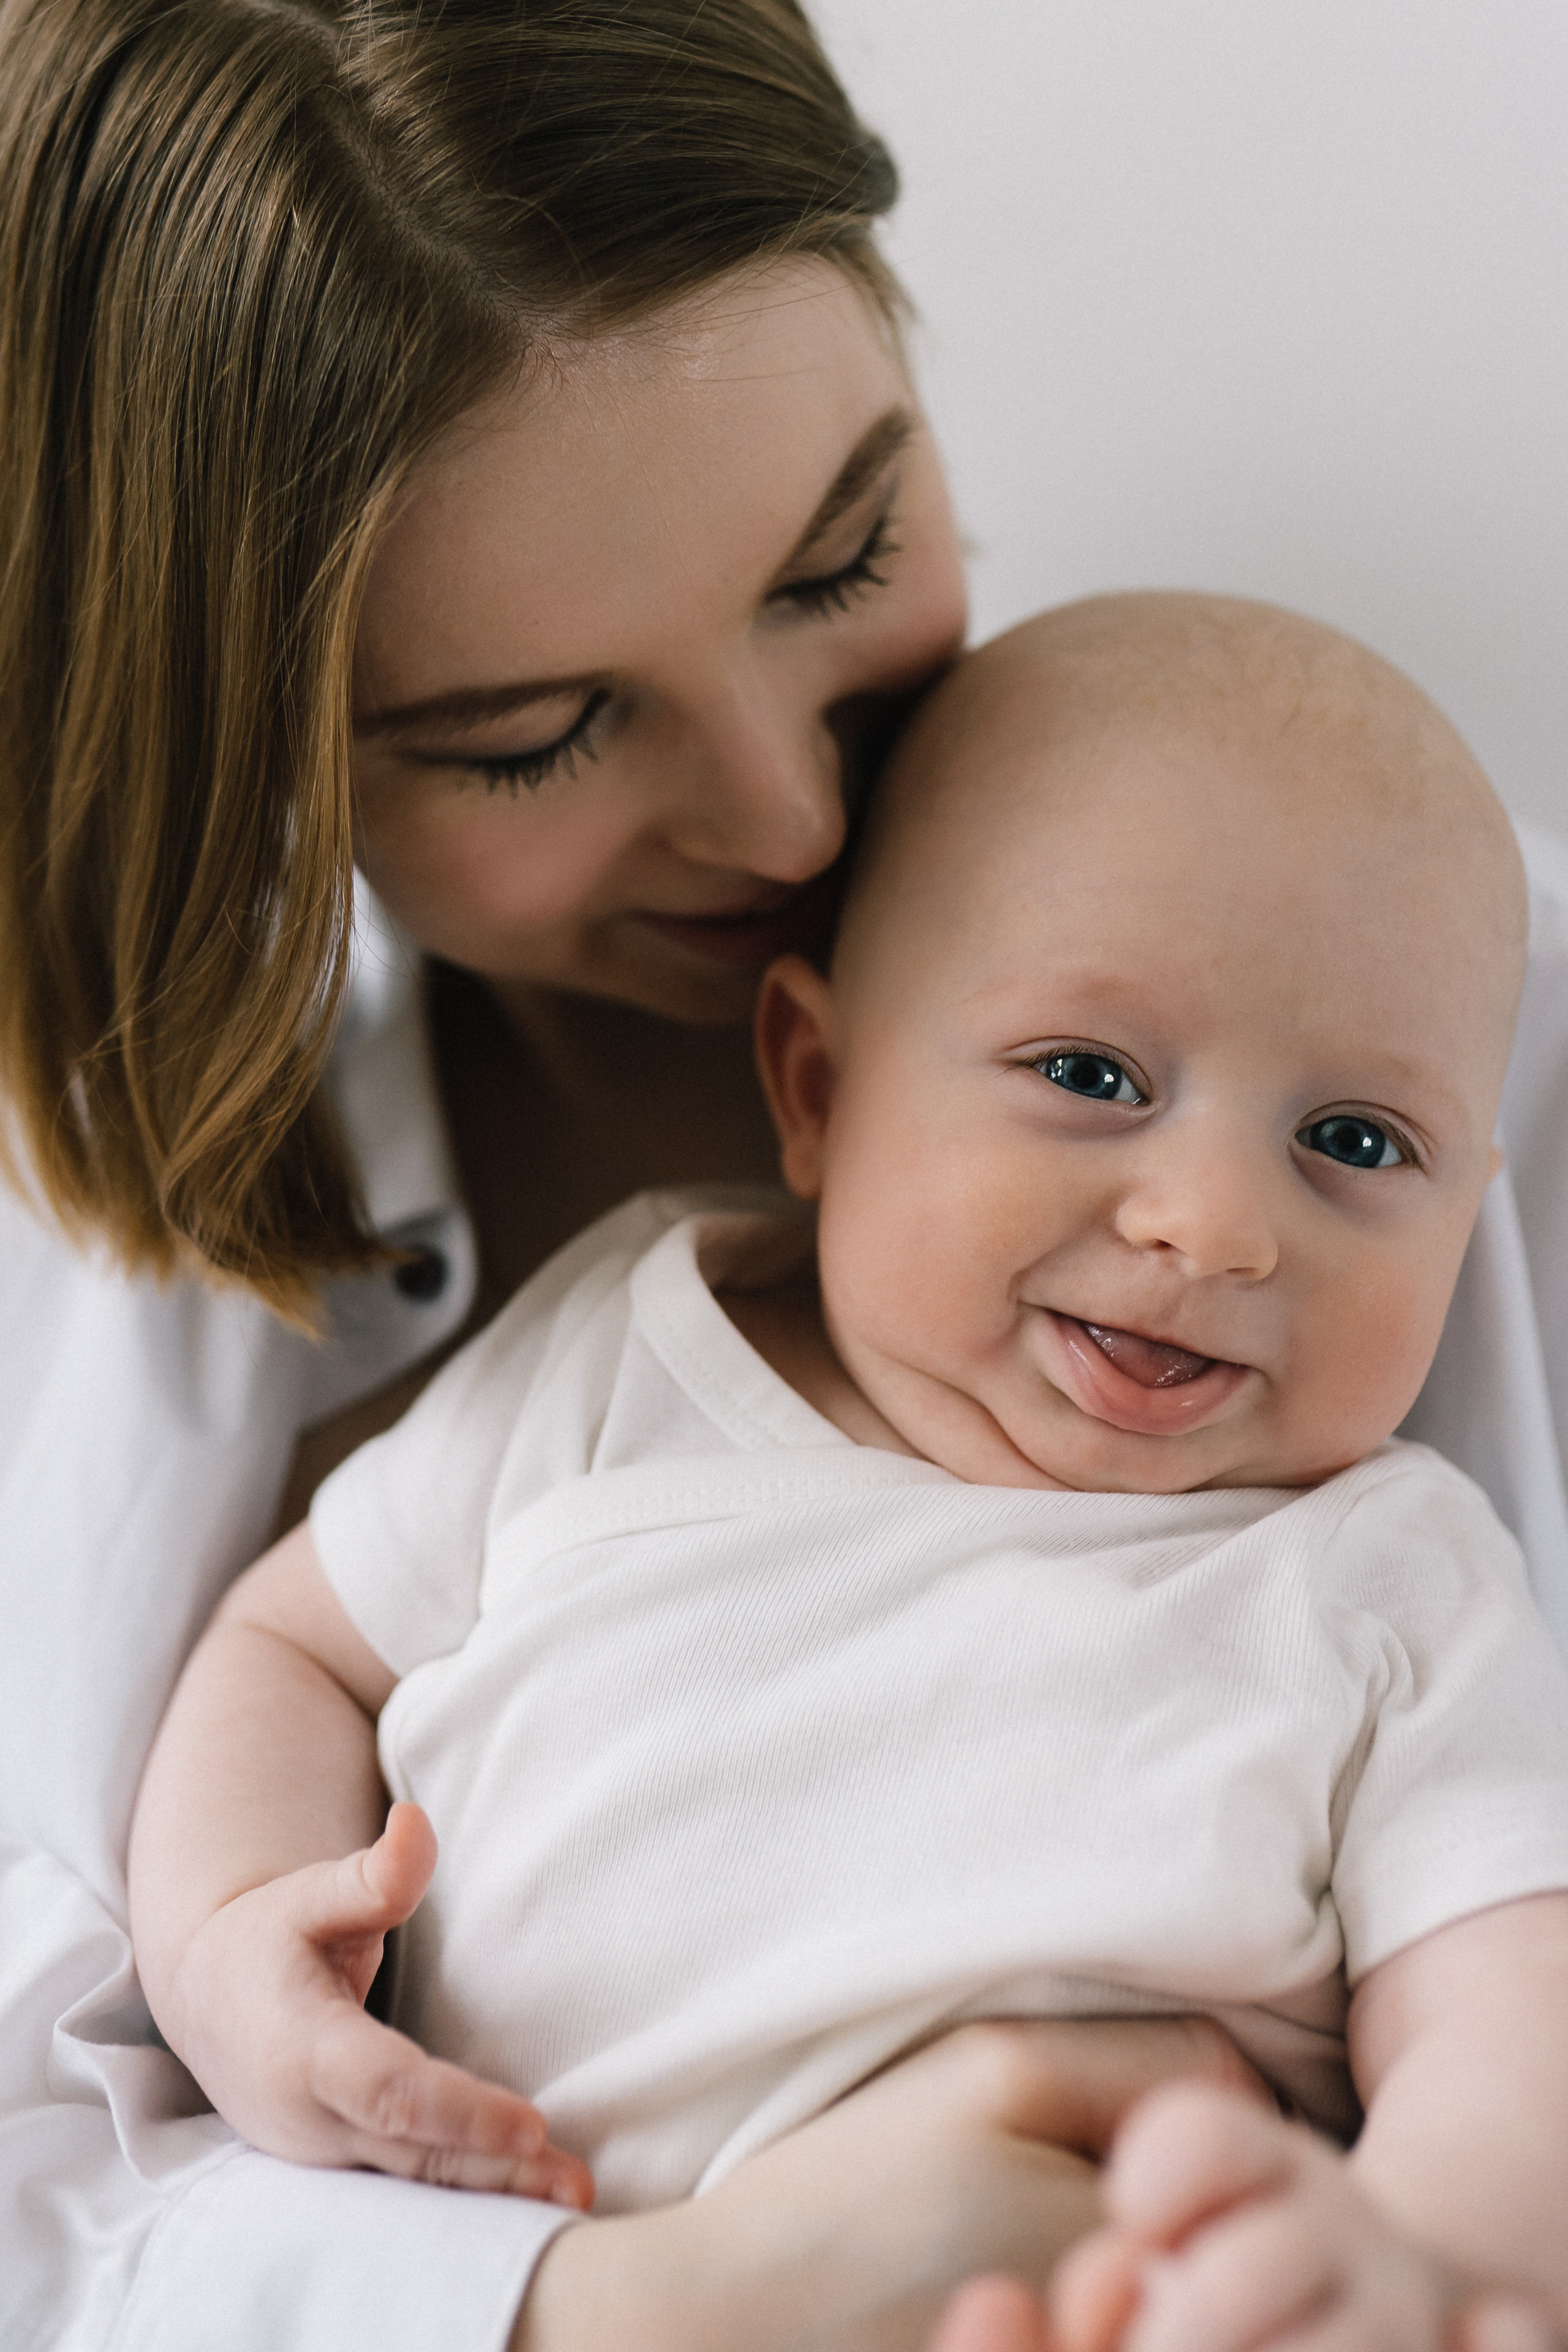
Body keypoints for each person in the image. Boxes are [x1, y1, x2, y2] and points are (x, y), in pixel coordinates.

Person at [2, 1, 1567, 2345]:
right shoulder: (528, 1338)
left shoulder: (1450, 1076)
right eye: (533, 735)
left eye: (842, 557)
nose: (792, 818)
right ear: (239, 758)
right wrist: (643, 2304)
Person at [130, 595, 1568, 2348]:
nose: (1213, 1225)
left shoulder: (1383, 1574)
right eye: (1089, 1075)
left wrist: (1410, 2262)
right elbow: (295, 1649)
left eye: (1355, 1142)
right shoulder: (625, 1355)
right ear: (816, 1083)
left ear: (1470, 1199)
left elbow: (1511, 2026)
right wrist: (222, 1947)